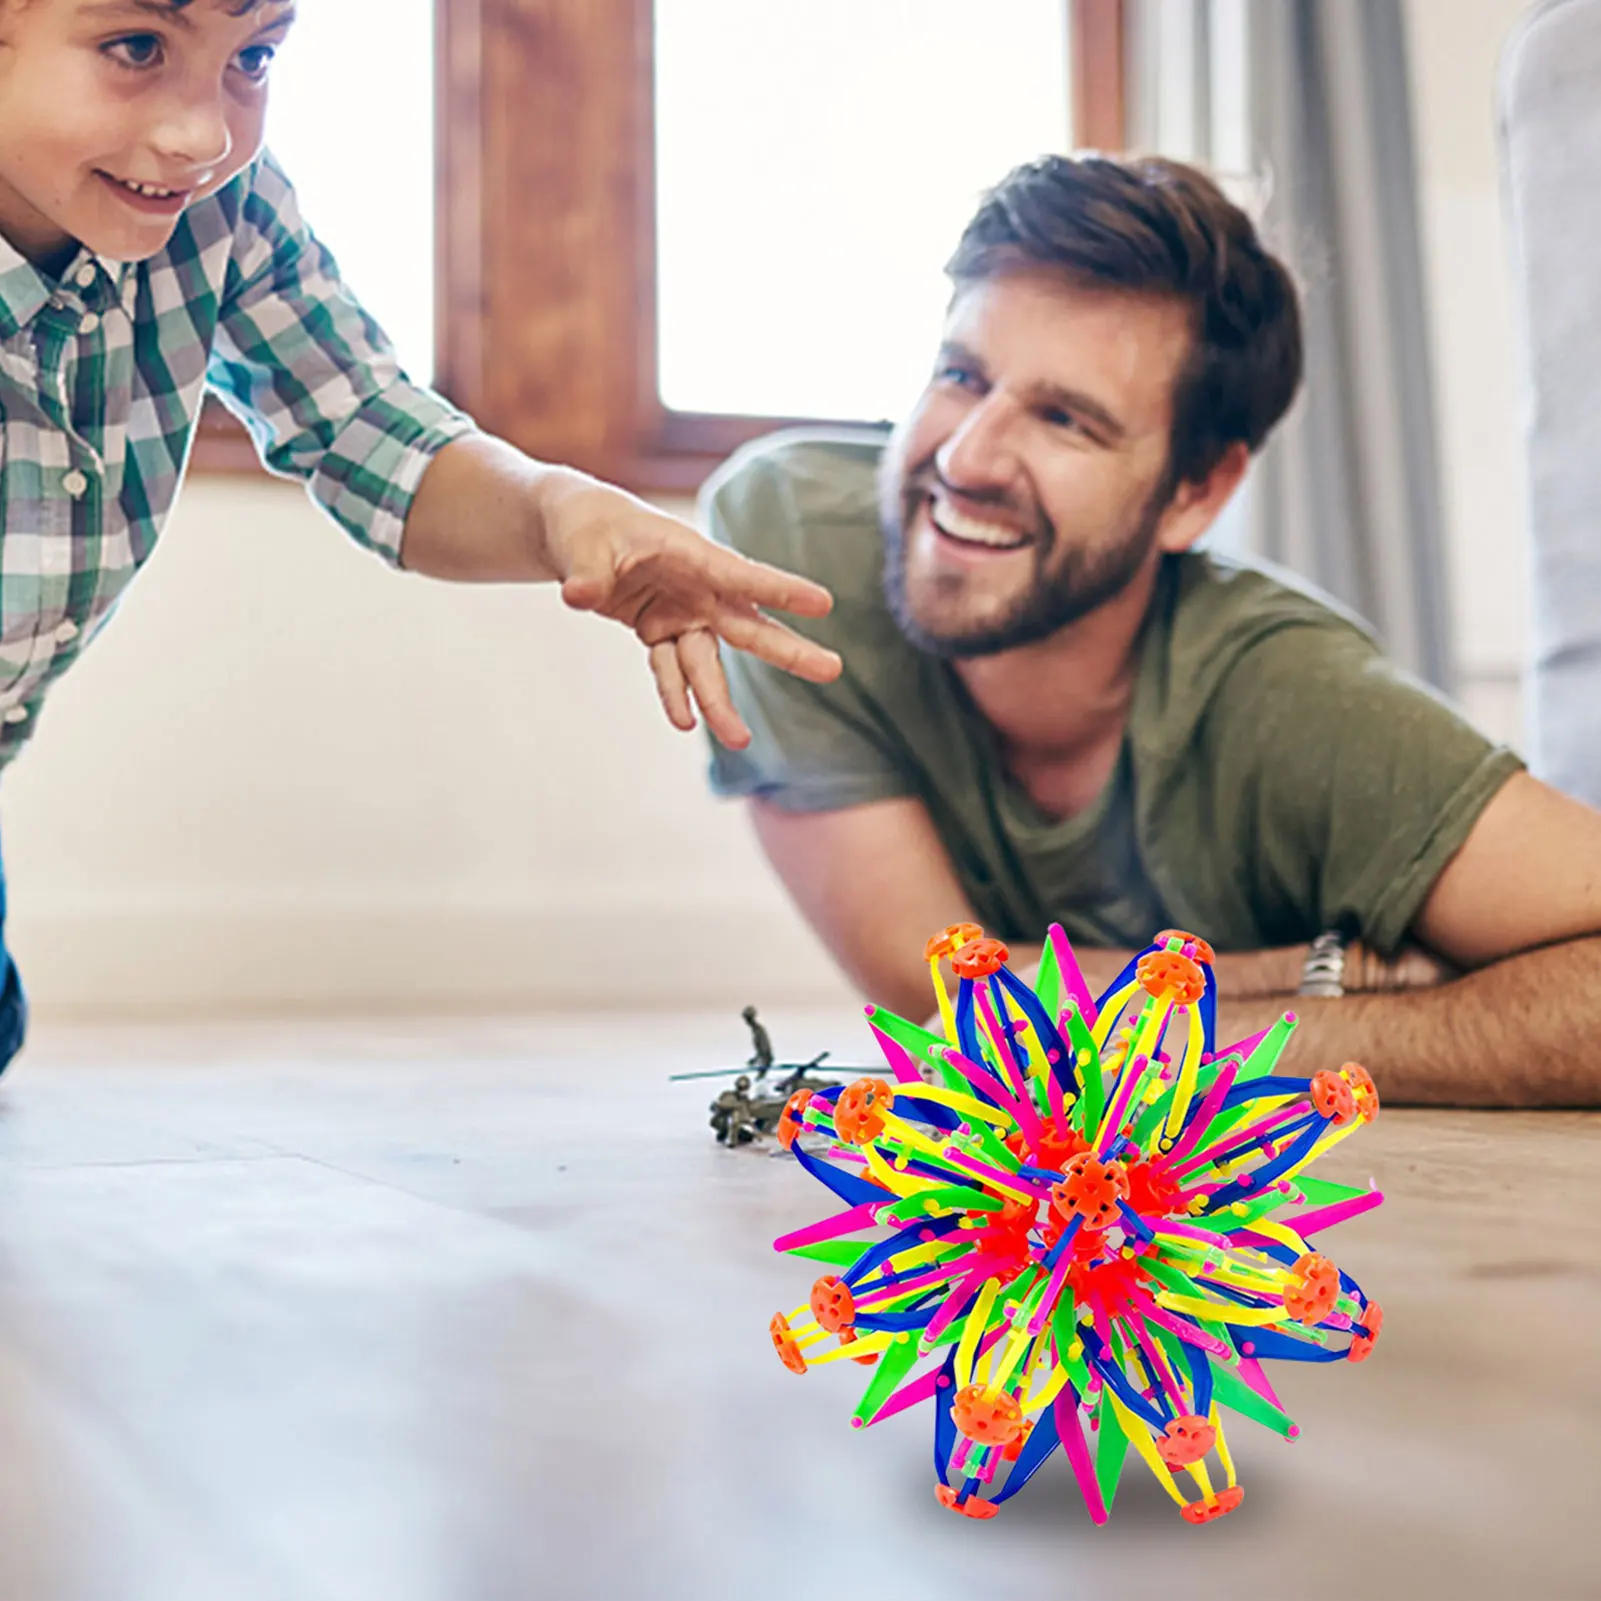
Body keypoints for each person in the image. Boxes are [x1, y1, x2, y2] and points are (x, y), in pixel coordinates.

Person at [0, 0, 842, 1073]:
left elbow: (364, 424)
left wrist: (556, 511)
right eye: (137, 49)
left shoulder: (220, 211)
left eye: (252, 60)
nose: (202, 134)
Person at [693, 152, 1601, 1107]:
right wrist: (1325, 969)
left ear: (1195, 491)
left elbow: (983, 1018)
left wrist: (1257, 1036)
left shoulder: (1297, 701)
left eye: (1064, 420)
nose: (966, 457)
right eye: (961, 374)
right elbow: (941, 1010)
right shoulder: (787, 556)